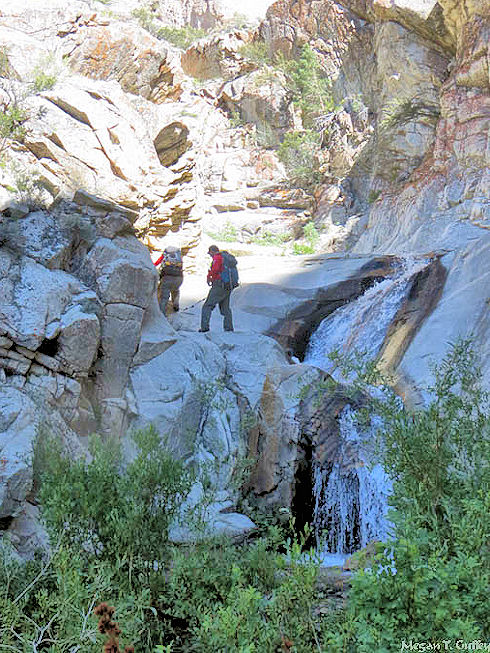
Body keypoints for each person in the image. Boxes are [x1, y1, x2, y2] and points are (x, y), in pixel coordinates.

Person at [199, 245, 234, 332]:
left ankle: (204, 328)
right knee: (225, 309)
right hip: (228, 285)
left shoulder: (217, 258)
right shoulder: (225, 258)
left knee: (207, 306)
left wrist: (210, 278)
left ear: (212, 251)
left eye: (210, 253)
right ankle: (229, 328)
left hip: (219, 285)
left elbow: (215, 270)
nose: (210, 255)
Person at [154, 245, 183, 314]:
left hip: (167, 277)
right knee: (175, 290)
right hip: (179, 277)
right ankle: (176, 305)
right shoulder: (178, 257)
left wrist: (153, 265)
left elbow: (158, 262)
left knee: (164, 297)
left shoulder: (165, 255)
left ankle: (162, 314)